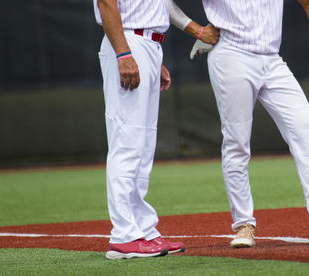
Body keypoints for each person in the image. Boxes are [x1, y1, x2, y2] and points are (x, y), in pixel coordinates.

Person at [166, 0, 309, 247]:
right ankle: (243, 225)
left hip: (271, 59)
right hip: (232, 55)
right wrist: (195, 29)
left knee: (306, 128)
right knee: (237, 142)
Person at [93, 0, 216, 259]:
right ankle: (124, 236)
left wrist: (151, 60)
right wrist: (124, 53)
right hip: (128, 42)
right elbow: (106, 3)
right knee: (127, 142)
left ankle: (143, 229)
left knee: (143, 146)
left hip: (147, 44)